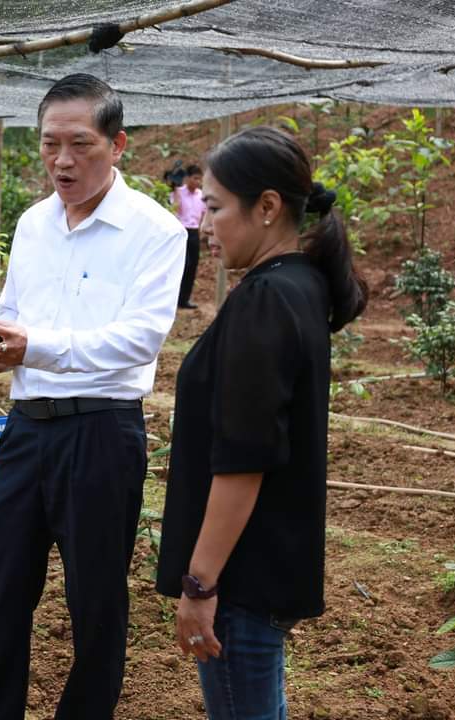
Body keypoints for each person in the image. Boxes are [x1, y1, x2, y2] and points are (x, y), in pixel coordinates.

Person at [0, 73, 186, 720]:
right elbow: (14, 307)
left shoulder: (155, 230)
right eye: (49, 144)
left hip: (101, 433)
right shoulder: (33, 224)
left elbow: (139, 340)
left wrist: (34, 346)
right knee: (0, 586)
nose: (61, 161)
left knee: (96, 599)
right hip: (26, 429)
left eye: (80, 144)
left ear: (117, 145)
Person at [156, 126, 368, 719]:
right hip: (265, 564)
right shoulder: (300, 286)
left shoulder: (266, 299)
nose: (204, 225)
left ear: (267, 207)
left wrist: (200, 584)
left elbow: (244, 459)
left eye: (216, 207)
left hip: (239, 579)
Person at [172, 164, 206, 309]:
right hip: (181, 230)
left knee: (192, 266)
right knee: (181, 265)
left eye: (199, 179)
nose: (197, 181)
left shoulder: (201, 195)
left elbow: (204, 213)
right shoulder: (178, 192)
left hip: (194, 232)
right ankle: (173, 298)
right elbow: (175, 208)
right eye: (195, 178)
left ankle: (184, 299)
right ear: (188, 178)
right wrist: (176, 191)